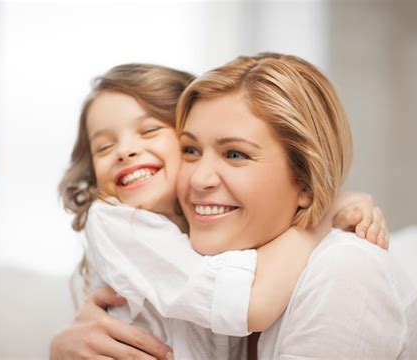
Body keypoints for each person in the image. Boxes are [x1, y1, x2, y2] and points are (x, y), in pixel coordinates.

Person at [50, 59, 394, 359]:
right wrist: (324, 211)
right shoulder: (119, 221)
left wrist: (322, 202)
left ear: (305, 180)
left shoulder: (342, 270)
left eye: (234, 154)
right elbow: (251, 305)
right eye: (192, 150)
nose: (124, 152)